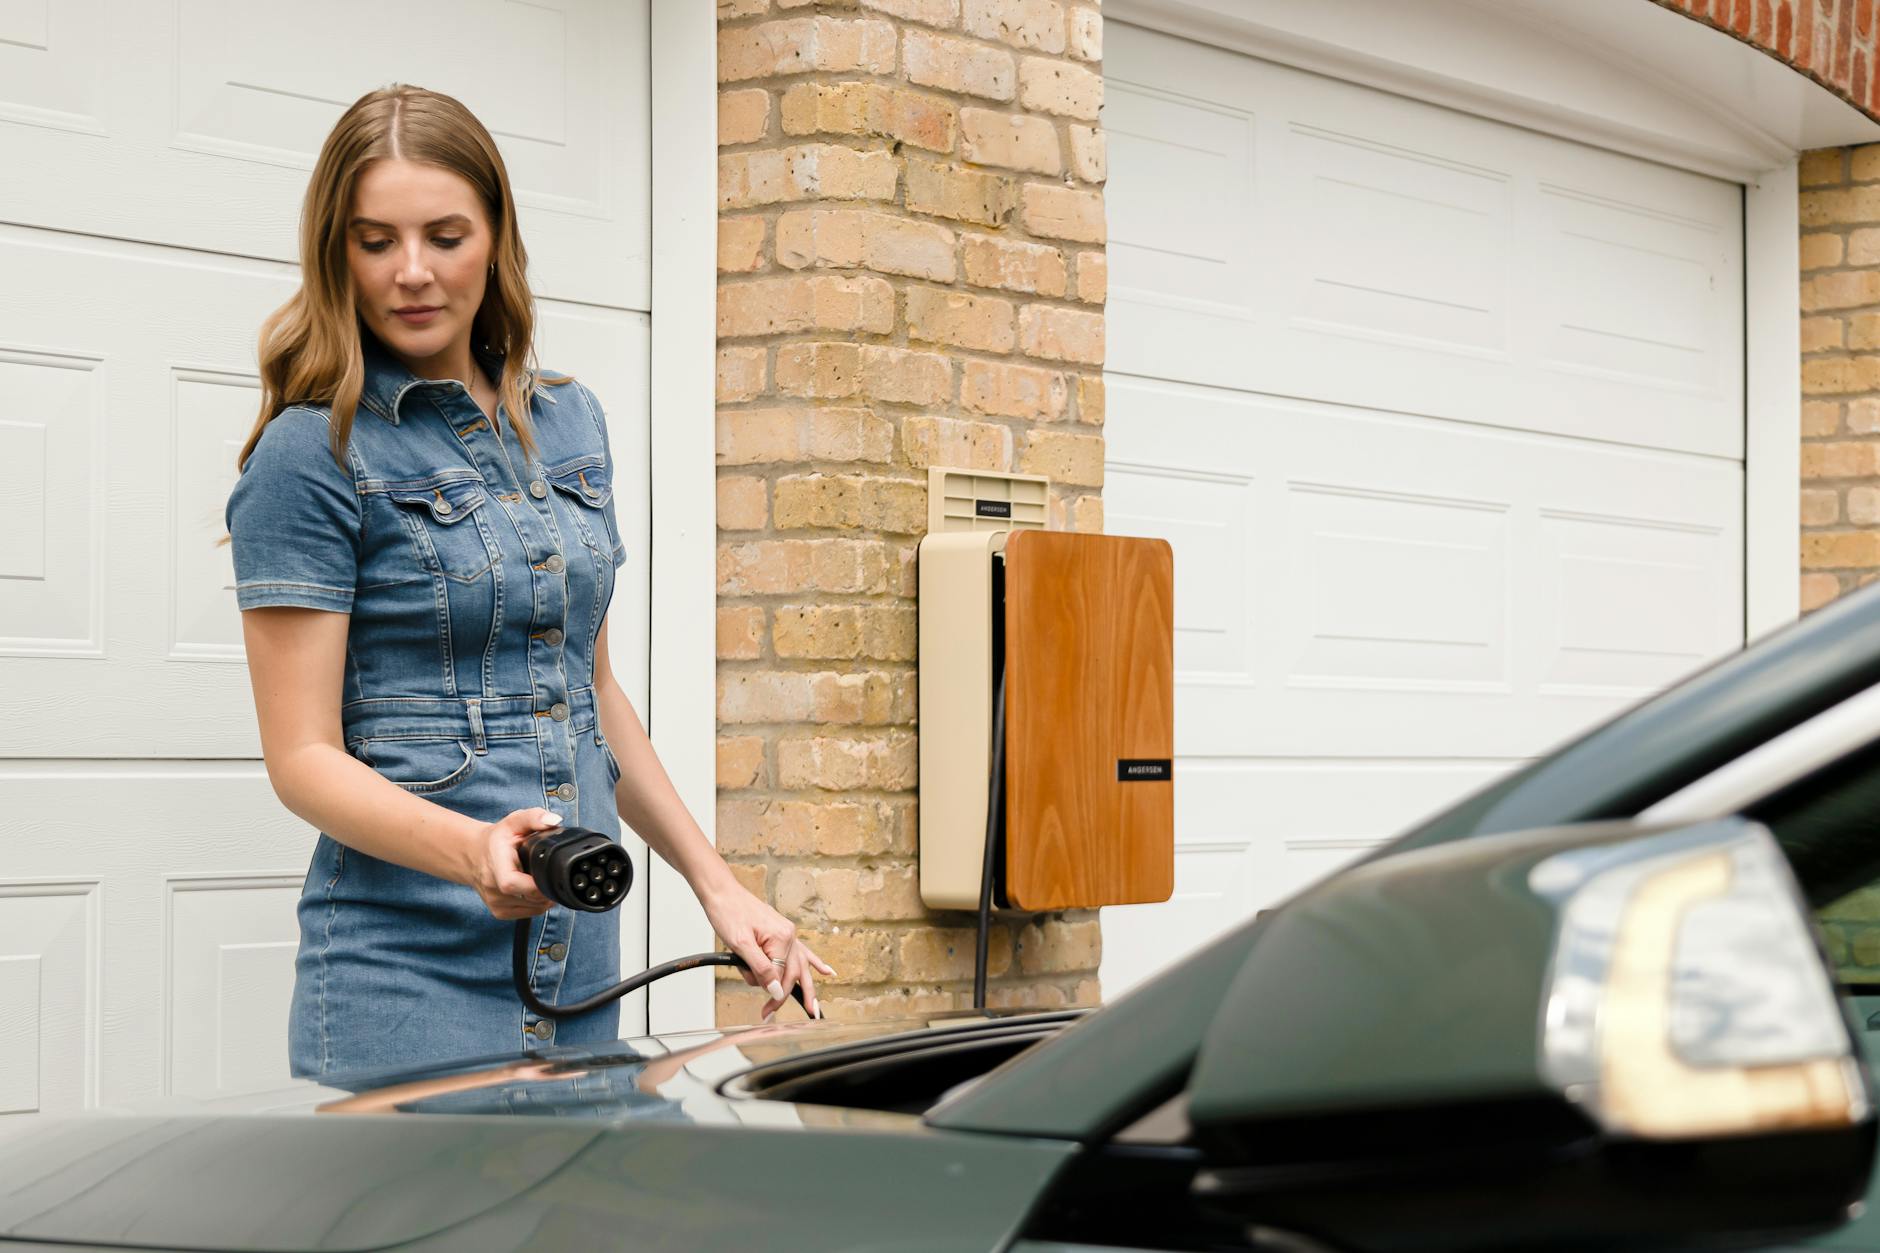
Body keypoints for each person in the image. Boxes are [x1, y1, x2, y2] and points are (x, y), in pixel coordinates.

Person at [225, 84, 828, 1079]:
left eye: (445, 234)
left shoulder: (569, 421)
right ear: (337, 253)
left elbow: (589, 695)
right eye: (375, 241)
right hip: (403, 977)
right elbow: (302, 758)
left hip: (580, 964)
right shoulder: (312, 454)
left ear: (496, 238)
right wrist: (474, 852)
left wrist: (719, 888)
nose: (411, 272)